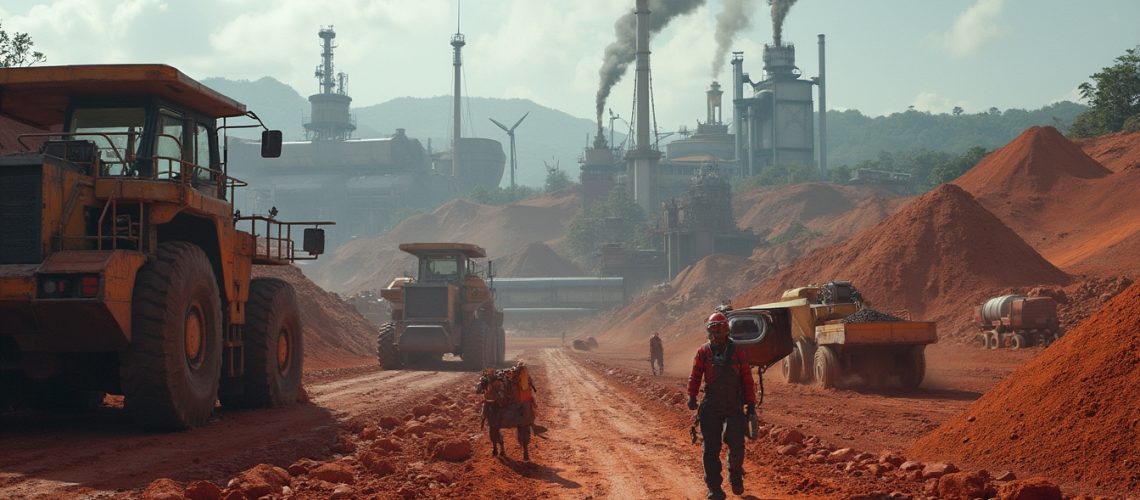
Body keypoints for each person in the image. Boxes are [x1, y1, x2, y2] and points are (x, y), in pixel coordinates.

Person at [687, 311, 756, 499]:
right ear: (709, 331)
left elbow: (747, 379)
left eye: (721, 328)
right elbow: (695, 375)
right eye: (714, 328)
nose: (718, 332)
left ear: (727, 329)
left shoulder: (738, 351)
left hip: (734, 405)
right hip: (711, 406)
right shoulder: (703, 352)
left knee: (737, 445)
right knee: (711, 449)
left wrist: (750, 404)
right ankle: (714, 488)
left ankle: (735, 475)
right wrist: (692, 396)